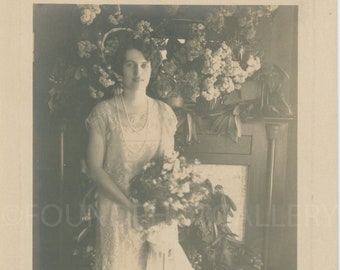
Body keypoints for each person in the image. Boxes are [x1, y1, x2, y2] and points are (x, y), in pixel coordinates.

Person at [85, 37, 193, 270]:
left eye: (144, 64)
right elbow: (95, 169)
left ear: (151, 67)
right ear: (119, 68)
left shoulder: (164, 113)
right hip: (116, 211)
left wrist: (157, 211)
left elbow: (169, 169)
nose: (138, 72)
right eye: (130, 64)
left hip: (154, 215)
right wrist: (130, 206)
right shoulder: (103, 113)